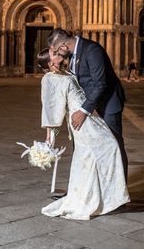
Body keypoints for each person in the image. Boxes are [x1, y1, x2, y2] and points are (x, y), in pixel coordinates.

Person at [37, 49, 129, 220]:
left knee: (91, 155)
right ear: (50, 63)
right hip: (79, 119)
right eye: (54, 54)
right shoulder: (49, 79)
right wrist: (50, 135)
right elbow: (49, 107)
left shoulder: (65, 72)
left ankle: (101, 196)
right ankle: (100, 197)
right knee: (109, 147)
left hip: (87, 115)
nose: (58, 54)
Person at [47, 28, 128, 181]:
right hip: (91, 103)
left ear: (63, 46)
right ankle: (82, 189)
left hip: (108, 102)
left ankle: (119, 193)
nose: (58, 55)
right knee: (84, 146)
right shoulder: (73, 54)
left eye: (57, 51)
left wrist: (84, 111)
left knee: (114, 145)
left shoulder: (92, 50)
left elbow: (100, 84)